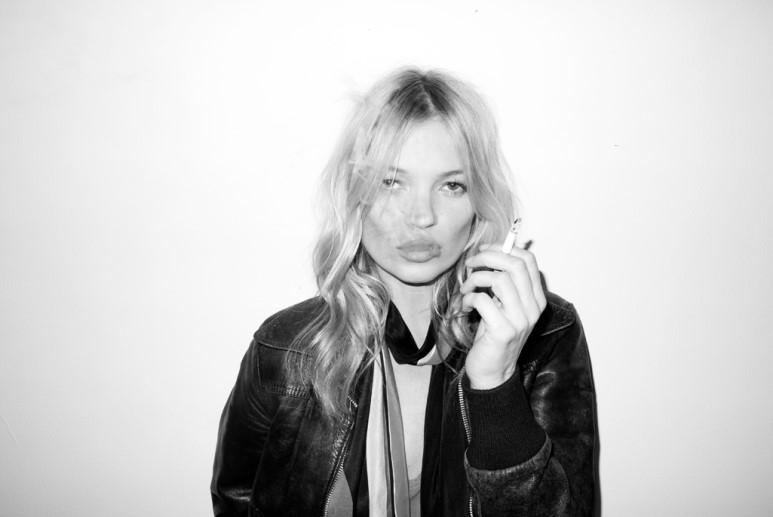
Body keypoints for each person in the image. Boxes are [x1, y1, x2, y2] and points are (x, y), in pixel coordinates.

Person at [211, 68, 597, 517]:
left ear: (479, 202)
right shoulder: (286, 349)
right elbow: (237, 501)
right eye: (391, 182)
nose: (422, 216)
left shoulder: (546, 335)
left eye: (452, 185)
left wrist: (496, 384)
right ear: (356, 195)